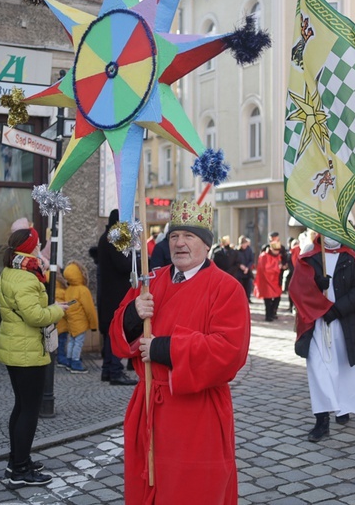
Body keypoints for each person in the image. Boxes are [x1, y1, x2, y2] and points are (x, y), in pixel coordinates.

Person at [109, 199, 250, 504]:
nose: (180, 243)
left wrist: (164, 347)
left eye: (189, 237)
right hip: (150, 405)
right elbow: (116, 336)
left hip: (198, 414)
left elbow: (230, 351)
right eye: (174, 236)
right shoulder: (150, 281)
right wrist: (133, 314)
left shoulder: (226, 288)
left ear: (206, 245)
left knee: (194, 491)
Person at [289, 235, 355, 442]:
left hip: (345, 323)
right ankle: (321, 421)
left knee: (343, 367)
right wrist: (316, 286)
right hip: (316, 324)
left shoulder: (353, 257)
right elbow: (297, 290)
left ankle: (342, 406)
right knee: (318, 370)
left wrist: (337, 310)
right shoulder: (309, 257)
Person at [0, 228, 68, 486]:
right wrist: (56, 310)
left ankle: (16, 461)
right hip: (26, 350)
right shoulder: (26, 278)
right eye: (38, 244)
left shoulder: (12, 271)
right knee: (29, 410)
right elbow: (35, 316)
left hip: (17, 347)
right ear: (29, 247)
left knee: (21, 406)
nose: (40, 248)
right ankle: (21, 470)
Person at [96, 209, 138, 386]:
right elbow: (123, 265)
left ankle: (107, 370)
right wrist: (136, 258)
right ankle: (115, 371)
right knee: (116, 331)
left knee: (109, 333)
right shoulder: (115, 238)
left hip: (107, 292)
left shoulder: (106, 237)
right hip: (116, 294)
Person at [55, 261, 98, 373]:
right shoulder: (83, 290)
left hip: (72, 322)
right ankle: (75, 363)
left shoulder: (69, 289)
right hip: (81, 322)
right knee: (78, 343)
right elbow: (89, 309)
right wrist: (94, 324)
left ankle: (69, 361)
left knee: (71, 342)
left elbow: (71, 303)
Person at [255, 239, 283, 321]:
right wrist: (278, 268)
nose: (277, 252)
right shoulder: (264, 256)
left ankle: (273, 312)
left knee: (277, 297)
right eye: (275, 250)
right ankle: (268, 315)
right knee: (268, 299)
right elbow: (265, 269)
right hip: (266, 281)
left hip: (275, 280)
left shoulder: (277, 256)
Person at [236, 235, 254, 301]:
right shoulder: (237, 251)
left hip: (247, 272)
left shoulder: (249, 250)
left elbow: (251, 260)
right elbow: (235, 261)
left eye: (245, 244)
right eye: (242, 244)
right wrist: (240, 265)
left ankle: (247, 298)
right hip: (239, 272)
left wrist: (247, 267)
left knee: (248, 286)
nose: (244, 245)